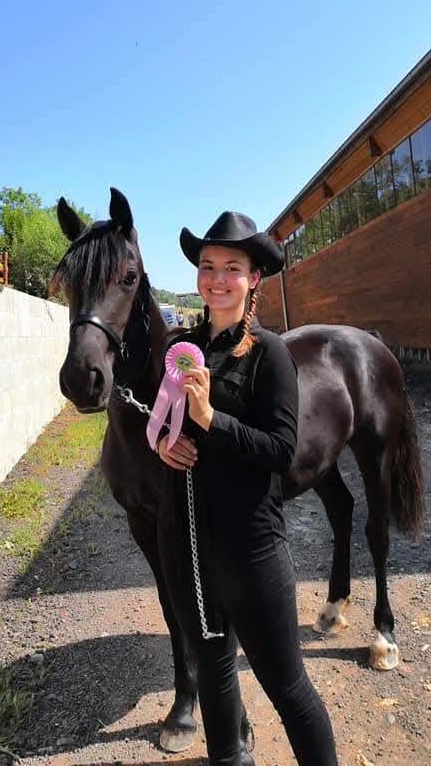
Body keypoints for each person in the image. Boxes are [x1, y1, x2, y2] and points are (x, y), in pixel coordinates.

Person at [155, 211, 338, 766]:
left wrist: (211, 418)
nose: (216, 278)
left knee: (289, 690)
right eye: (207, 266)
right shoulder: (182, 350)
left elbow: (282, 453)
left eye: (231, 268)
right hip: (185, 545)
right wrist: (164, 445)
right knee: (212, 678)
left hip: (252, 549)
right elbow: (163, 422)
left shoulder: (270, 354)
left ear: (253, 277)